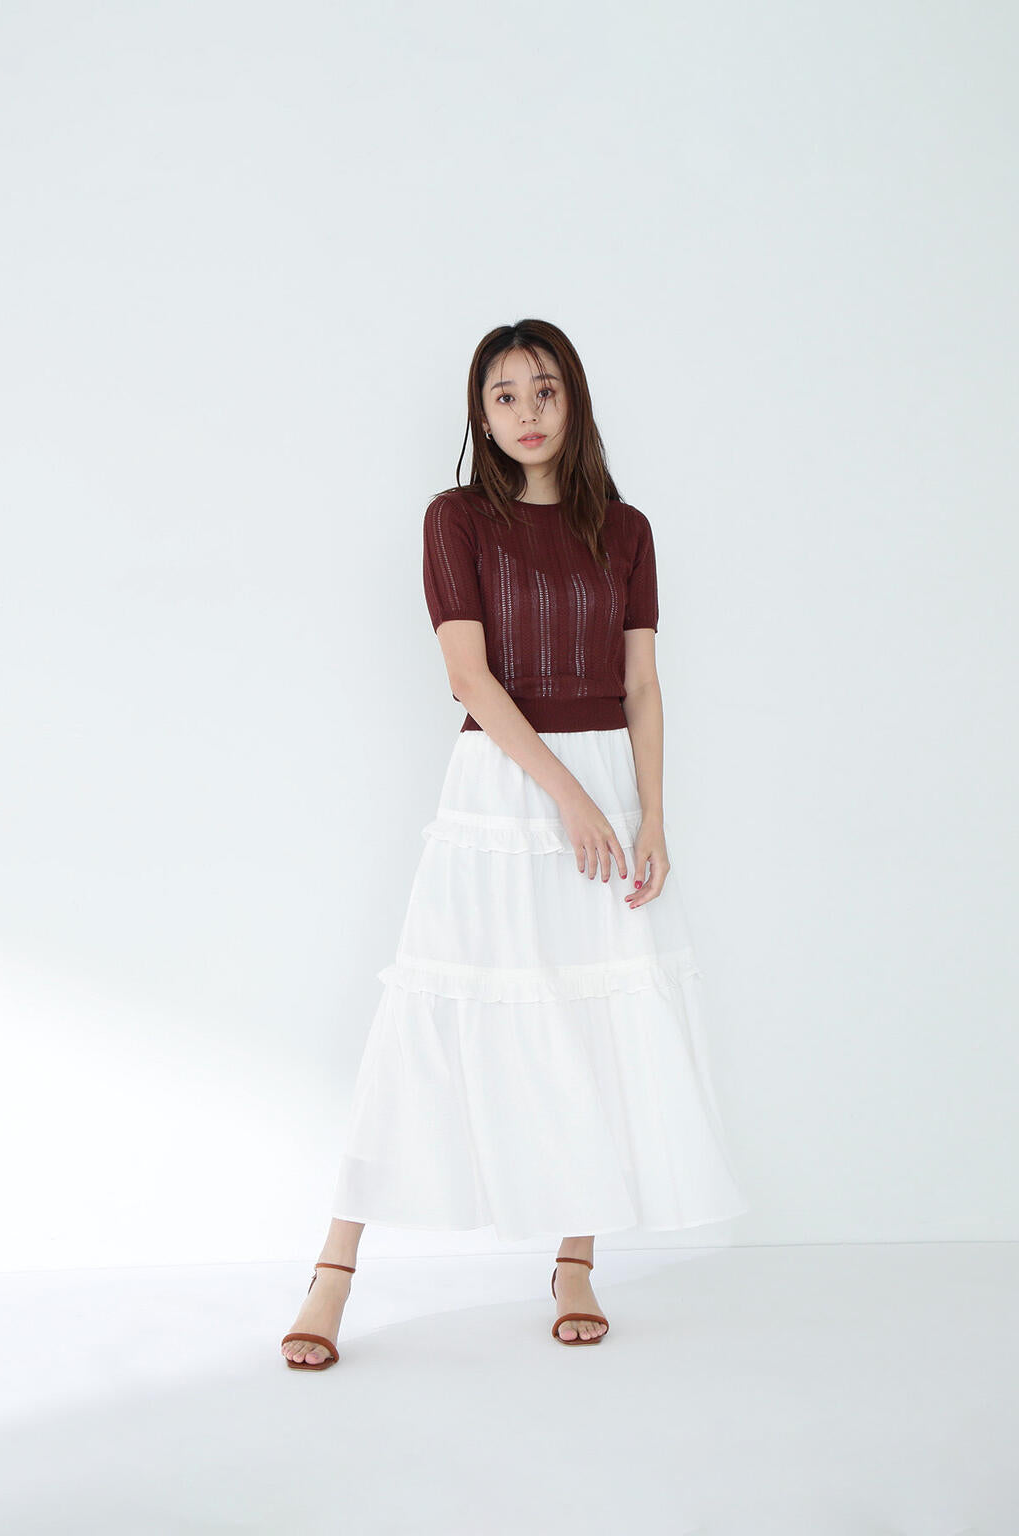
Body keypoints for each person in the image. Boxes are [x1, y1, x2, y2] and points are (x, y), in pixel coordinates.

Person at [280, 318, 749, 1369]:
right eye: (504, 396)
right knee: (430, 1013)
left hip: (609, 787)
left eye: (544, 390)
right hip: (502, 790)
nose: (527, 413)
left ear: (572, 401)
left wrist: (651, 816)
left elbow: (640, 684)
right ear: (479, 414)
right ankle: (334, 1270)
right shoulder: (456, 520)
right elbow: (467, 677)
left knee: (591, 1018)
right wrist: (567, 799)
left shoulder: (625, 529)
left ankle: (574, 1259)